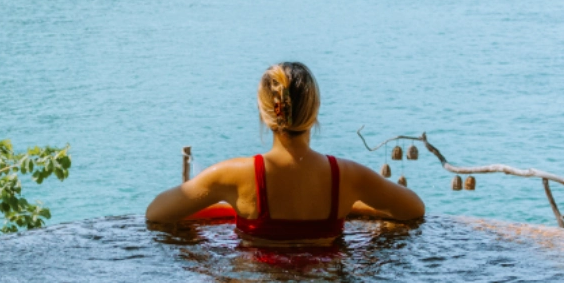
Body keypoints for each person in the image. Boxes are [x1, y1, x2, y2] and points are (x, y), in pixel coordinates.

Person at [145, 62, 425, 246]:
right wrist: (353, 204)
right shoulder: (348, 177)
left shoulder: (233, 176)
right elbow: (413, 209)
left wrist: (228, 206)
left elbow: (156, 213)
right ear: (314, 112)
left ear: (264, 114)